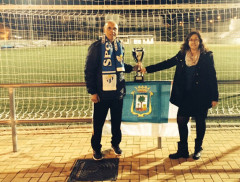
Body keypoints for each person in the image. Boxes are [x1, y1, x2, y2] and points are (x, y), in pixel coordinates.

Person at [141, 31, 219, 160]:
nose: (193, 42)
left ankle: (198, 149)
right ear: (187, 42)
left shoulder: (207, 56)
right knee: (181, 121)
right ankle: (182, 150)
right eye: (191, 40)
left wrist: (214, 97)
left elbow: (212, 76)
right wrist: (147, 69)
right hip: (185, 95)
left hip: (201, 95)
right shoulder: (182, 55)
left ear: (200, 42)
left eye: (196, 39)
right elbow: (167, 63)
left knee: (200, 122)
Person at [84, 20, 138, 160]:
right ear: (104, 30)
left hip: (117, 93)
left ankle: (116, 144)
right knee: (98, 123)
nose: (112, 31)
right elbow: (89, 70)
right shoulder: (97, 47)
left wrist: (132, 68)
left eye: (115, 28)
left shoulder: (119, 46)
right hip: (101, 93)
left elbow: (119, 65)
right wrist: (93, 92)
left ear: (117, 31)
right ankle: (96, 148)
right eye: (109, 28)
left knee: (116, 122)